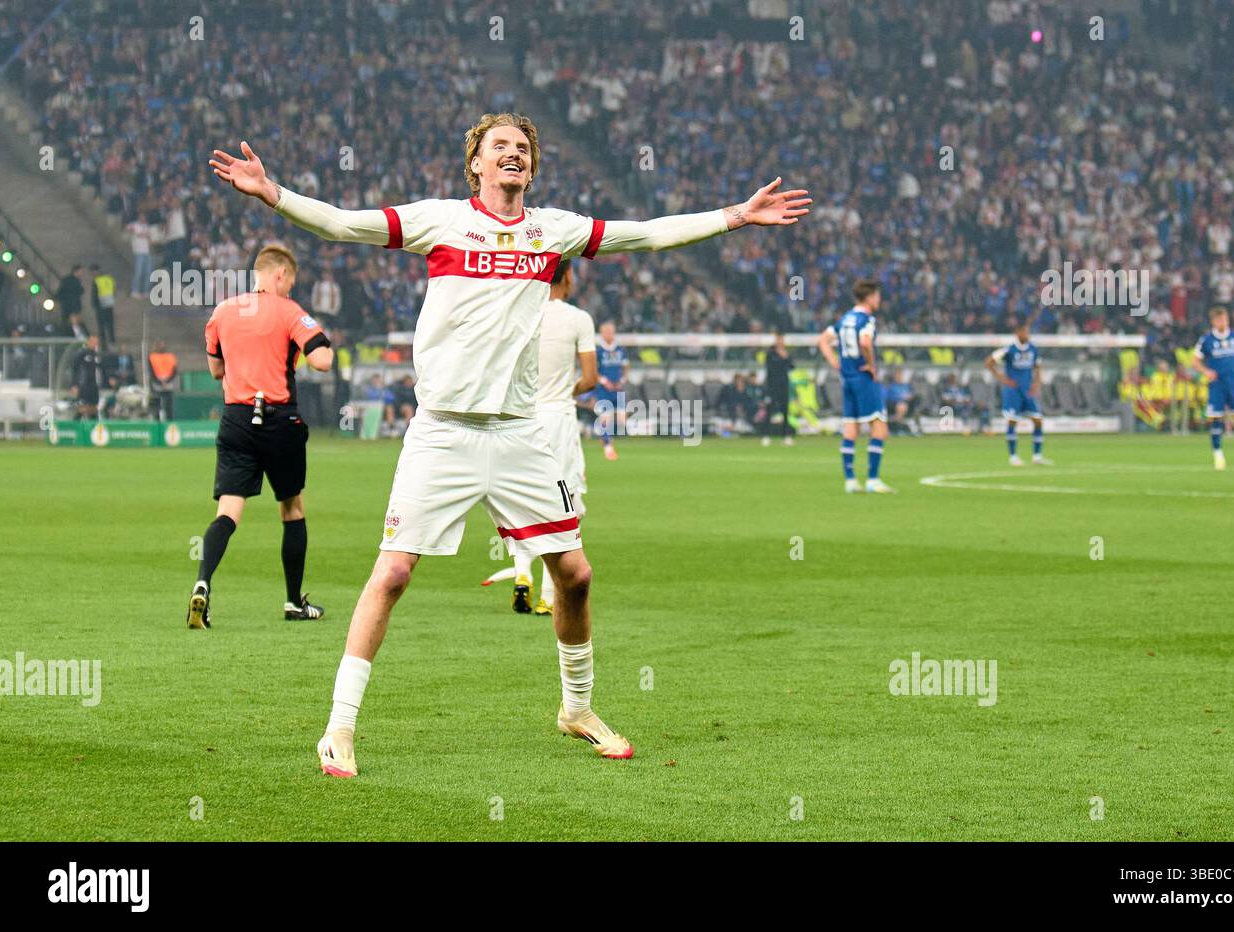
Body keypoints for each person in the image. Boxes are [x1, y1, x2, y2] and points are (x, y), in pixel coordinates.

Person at [209, 111, 810, 776]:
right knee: (394, 573)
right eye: (500, 147)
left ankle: (576, 708)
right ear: (477, 165)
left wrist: (735, 215)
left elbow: (644, 236)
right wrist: (275, 194)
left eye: (523, 148)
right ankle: (339, 728)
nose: (513, 155)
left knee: (575, 576)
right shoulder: (441, 221)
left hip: (522, 433)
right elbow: (346, 223)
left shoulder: (552, 232)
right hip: (443, 433)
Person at [188, 244, 335, 630]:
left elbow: (216, 370)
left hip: (236, 419)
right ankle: (292, 602)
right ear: (281, 275)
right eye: (290, 282)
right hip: (280, 422)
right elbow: (321, 360)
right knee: (292, 509)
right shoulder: (289, 311)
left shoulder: (223, 311)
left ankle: (202, 581)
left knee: (228, 512)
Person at [505, 259, 598, 615]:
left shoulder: (521, 313)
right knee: (563, 505)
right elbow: (590, 378)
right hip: (558, 418)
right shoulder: (578, 319)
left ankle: (521, 573)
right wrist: (566, 389)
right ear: (568, 276)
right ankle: (548, 593)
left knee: (519, 499)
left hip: (521, 417)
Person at [817, 279, 894, 493]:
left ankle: (850, 480)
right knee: (879, 426)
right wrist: (871, 365)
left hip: (847, 378)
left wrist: (835, 362)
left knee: (851, 428)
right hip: (863, 378)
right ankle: (872, 479)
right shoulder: (866, 319)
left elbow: (823, 340)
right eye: (877, 296)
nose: (879, 300)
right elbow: (866, 342)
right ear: (869, 298)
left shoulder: (844, 319)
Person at [1192, 306, 1234, 470]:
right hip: (1217, 386)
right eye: (1220, 319)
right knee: (1216, 419)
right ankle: (1218, 456)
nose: (1223, 322)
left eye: (1225, 318)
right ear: (1213, 321)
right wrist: (1206, 371)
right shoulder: (1207, 340)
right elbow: (1195, 361)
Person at [986, 322, 1051, 466]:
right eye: (1025, 332)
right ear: (1018, 333)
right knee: (1012, 421)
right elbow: (989, 362)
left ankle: (1037, 456)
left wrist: (1036, 384)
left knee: (1038, 420)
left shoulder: (1033, 349)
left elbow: (1038, 367)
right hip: (1013, 391)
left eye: (1028, 332)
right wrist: (1002, 379)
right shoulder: (1009, 350)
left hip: (1028, 391)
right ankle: (1013, 456)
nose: (1027, 335)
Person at [594, 320, 629, 459]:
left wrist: (622, 380)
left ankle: (602, 434)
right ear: (602, 334)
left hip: (618, 389)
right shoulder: (598, 350)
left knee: (622, 420)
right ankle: (608, 446)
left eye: (611, 332)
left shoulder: (620, 349)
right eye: (606, 332)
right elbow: (593, 370)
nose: (609, 334)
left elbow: (626, 367)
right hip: (604, 389)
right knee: (605, 418)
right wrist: (603, 381)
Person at [761, 331, 794, 446]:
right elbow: (770, 367)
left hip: (784, 385)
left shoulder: (787, 353)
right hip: (772, 386)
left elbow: (792, 367)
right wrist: (781, 358)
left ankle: (786, 436)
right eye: (779, 340)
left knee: (785, 412)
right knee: (769, 411)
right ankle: (766, 436)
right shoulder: (770, 354)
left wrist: (786, 357)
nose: (781, 342)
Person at [69, 334, 102, 420]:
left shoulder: (97, 355)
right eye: (93, 342)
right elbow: (74, 369)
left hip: (94, 385)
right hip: (84, 385)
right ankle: (74, 427)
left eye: (97, 343)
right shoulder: (82, 353)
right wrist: (74, 384)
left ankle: (93, 429)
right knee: (83, 408)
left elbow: (100, 370)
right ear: (89, 342)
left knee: (94, 408)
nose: (95, 344)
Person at [148, 340, 179, 421]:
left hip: (168, 383)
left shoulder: (171, 357)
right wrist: (160, 382)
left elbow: (174, 371)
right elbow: (151, 372)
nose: (161, 347)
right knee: (157, 405)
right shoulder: (152, 357)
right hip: (157, 384)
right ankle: (157, 421)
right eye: (159, 345)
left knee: (169, 405)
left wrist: (167, 381)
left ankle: (170, 421)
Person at [91, 265, 116, 346]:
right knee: (110, 323)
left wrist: (94, 304)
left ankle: (103, 340)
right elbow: (113, 290)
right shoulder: (109, 278)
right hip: (109, 304)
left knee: (101, 324)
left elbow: (94, 294)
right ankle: (112, 339)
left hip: (100, 305)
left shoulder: (96, 281)